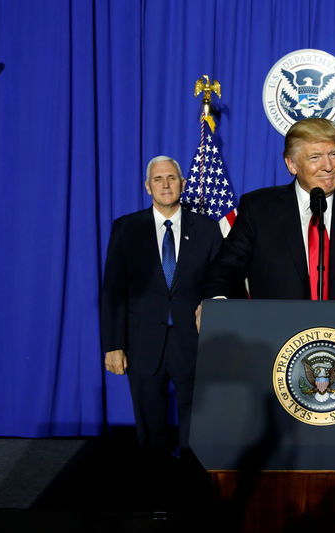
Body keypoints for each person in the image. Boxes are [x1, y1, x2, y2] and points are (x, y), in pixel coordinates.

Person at [198, 117, 335, 316]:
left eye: (333, 154)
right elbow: (227, 265)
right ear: (292, 164)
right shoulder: (259, 208)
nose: (328, 166)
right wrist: (215, 304)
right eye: (315, 157)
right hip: (276, 338)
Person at [101, 155, 223, 458]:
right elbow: (113, 291)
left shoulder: (207, 229)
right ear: (147, 187)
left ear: (183, 184)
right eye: (158, 179)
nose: (165, 184)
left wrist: (213, 309)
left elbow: (220, 280)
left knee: (197, 431)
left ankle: (193, 494)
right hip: (142, 344)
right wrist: (113, 345)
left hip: (193, 342)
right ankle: (156, 494)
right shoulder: (126, 229)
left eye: (171, 178)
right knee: (151, 435)